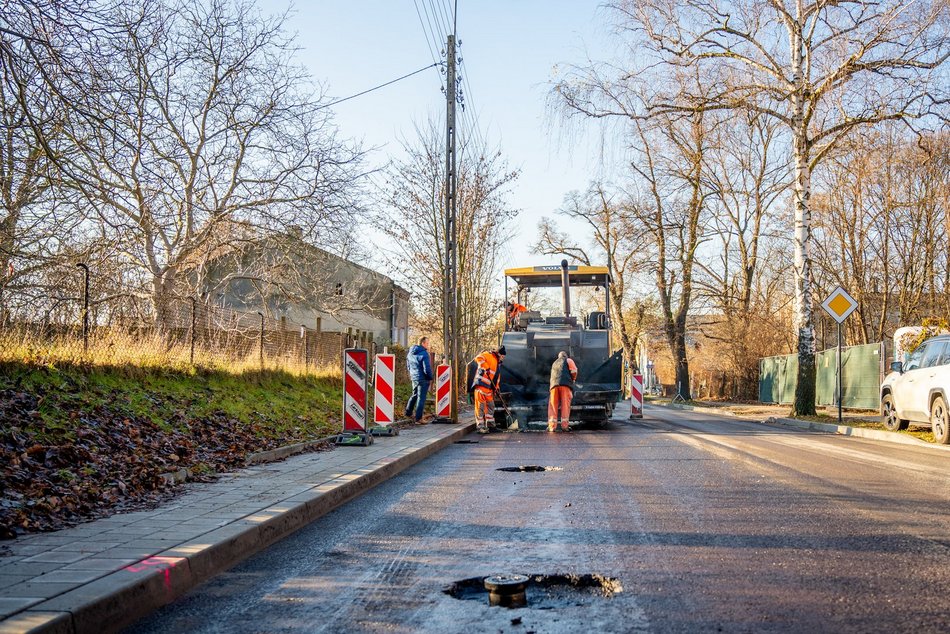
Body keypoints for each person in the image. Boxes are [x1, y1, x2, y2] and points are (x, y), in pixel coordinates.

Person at [471, 346, 506, 433]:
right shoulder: (488, 355)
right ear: (499, 354)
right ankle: (480, 427)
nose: (503, 358)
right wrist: (485, 366)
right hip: (481, 386)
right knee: (480, 406)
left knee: (491, 406)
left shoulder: (498, 363)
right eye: (503, 356)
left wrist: (496, 389)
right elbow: (478, 358)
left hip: (489, 389)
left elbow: (496, 378)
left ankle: (490, 425)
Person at [404, 336, 433, 423]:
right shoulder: (424, 353)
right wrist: (430, 377)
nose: (428, 345)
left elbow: (408, 366)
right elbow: (426, 368)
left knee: (414, 395)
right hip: (423, 378)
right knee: (421, 398)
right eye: (427, 343)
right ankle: (418, 418)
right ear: (423, 343)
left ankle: (408, 412)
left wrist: (412, 374)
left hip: (414, 377)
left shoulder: (410, 353)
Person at [548, 350, 578, 432]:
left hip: (554, 386)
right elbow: (574, 371)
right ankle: (564, 427)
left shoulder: (554, 362)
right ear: (566, 356)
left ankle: (552, 427)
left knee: (553, 406)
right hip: (565, 385)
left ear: (559, 357)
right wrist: (573, 379)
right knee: (565, 405)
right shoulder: (568, 360)